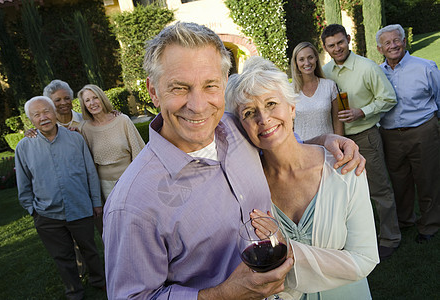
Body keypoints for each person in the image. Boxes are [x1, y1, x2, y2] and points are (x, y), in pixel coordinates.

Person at [102, 22, 365, 300]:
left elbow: (278, 142)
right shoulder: (131, 205)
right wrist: (221, 295)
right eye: (180, 88)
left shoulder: (235, 128)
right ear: (153, 91)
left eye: (210, 85)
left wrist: (326, 141)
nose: (198, 105)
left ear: (225, 83)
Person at [225, 55, 378, 299]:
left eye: (272, 104)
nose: (263, 119)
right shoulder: (245, 188)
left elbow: (365, 259)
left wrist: (285, 249)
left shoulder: (344, 167)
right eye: (249, 112)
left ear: (292, 107)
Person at [321, 24, 401, 260]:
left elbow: (388, 98)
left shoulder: (367, 67)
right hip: (337, 142)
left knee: (379, 189)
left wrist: (362, 112)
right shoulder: (325, 72)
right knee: (345, 194)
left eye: (340, 42)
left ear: (348, 39)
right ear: (326, 48)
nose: (337, 48)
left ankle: (390, 238)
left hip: (364, 136)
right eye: (331, 46)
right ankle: (354, 239)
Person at [15, 96, 106, 300]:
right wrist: (33, 211)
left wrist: (95, 202)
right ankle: (74, 292)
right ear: (31, 120)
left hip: (80, 207)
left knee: (89, 249)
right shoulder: (23, 147)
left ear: (54, 112)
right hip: (47, 215)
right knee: (62, 257)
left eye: (46, 111)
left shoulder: (76, 138)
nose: (43, 117)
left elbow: (90, 172)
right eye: (36, 115)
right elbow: (23, 184)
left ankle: (99, 281)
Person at [376, 24, 440, 243]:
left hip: (422, 131)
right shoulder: (377, 72)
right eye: (387, 43)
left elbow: (439, 98)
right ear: (380, 48)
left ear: (404, 42)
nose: (393, 45)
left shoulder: (425, 67)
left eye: (396, 40)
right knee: (399, 181)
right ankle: (405, 221)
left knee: (427, 179)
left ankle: (429, 224)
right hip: (391, 136)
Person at [77, 84, 145, 234]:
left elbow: (138, 152)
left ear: (102, 98)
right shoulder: (85, 129)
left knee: (139, 222)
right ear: (84, 105)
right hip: (105, 187)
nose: (92, 103)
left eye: (95, 98)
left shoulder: (122, 120)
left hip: (130, 180)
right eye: (87, 100)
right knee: (119, 226)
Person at [291, 42, 343, 140]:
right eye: (301, 59)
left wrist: (339, 144)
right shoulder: (290, 90)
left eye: (310, 57)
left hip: (328, 147)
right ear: (296, 63)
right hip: (302, 148)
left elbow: (337, 119)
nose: (307, 63)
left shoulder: (329, 85)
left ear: (316, 58)